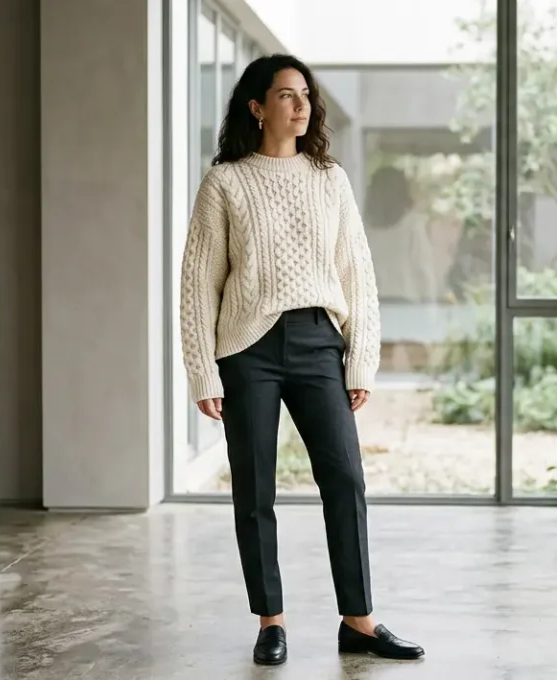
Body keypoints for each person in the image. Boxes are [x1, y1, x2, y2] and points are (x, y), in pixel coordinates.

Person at [177, 54, 424, 667]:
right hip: (247, 348)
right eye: (286, 95)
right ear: (257, 108)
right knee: (255, 490)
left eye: (305, 95)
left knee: (345, 478)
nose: (301, 104)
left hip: (318, 341)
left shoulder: (329, 179)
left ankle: (359, 621)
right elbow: (197, 283)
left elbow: (357, 276)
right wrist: (202, 370)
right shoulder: (226, 182)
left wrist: (360, 359)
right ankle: (271, 621)